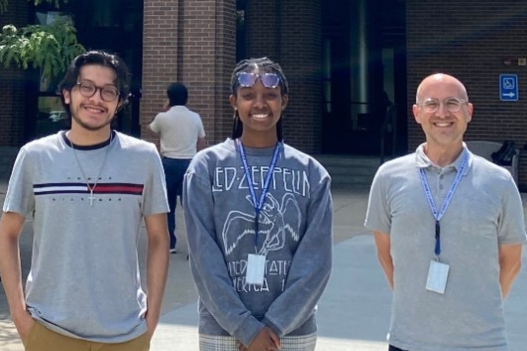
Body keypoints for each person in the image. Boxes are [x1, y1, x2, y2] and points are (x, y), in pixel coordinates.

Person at [0, 50, 170, 351]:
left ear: (119, 102)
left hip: (127, 332)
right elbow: (7, 232)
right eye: (86, 87)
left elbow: (159, 239)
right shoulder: (35, 156)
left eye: (109, 91)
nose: (96, 98)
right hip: (49, 329)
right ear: (67, 94)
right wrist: (18, 312)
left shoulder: (143, 158)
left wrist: (152, 317)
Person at [365, 73, 526, 351]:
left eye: (452, 103)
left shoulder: (498, 182)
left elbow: (511, 260)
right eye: (431, 104)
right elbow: (385, 254)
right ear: (417, 113)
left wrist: (478, 309)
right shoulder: (388, 177)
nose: (442, 113)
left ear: (468, 111)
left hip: (482, 343)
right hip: (409, 341)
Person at [182, 57, 333, 351]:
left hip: (291, 331)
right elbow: (203, 257)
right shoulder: (205, 168)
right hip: (223, 330)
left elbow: (316, 262)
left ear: (284, 101)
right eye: (249, 96)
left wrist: (274, 326)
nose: (260, 104)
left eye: (270, 96)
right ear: (233, 102)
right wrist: (245, 327)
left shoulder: (311, 173)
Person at [149, 82, 206, 254]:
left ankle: (171, 243)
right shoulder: (195, 117)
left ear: (169, 97)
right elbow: (201, 141)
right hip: (189, 163)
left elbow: (152, 130)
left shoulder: (162, 117)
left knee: (169, 205)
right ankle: (192, 245)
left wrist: (165, 110)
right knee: (190, 206)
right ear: (186, 98)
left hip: (168, 163)